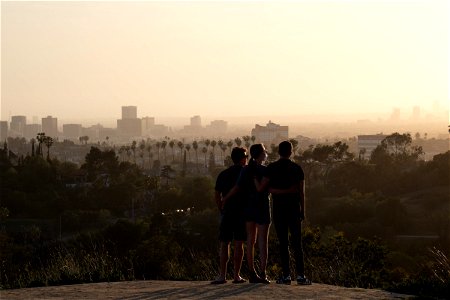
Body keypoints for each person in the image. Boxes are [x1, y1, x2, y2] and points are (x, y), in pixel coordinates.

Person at [256, 141, 311, 285]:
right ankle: (300, 275)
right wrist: (303, 211)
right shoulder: (297, 168)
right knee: (297, 243)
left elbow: (265, 188)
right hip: (294, 209)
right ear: (291, 151)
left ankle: (286, 275)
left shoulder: (271, 168)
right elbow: (302, 192)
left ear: (278, 152)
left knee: (283, 243)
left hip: (278, 209)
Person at [225, 144, 271, 283]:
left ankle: (252, 272)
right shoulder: (265, 170)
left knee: (250, 241)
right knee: (263, 241)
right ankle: (263, 273)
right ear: (262, 155)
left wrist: (225, 198)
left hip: (249, 207)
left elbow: (237, 188)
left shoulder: (246, 170)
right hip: (262, 206)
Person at [211, 147, 248, 284]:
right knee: (239, 244)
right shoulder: (246, 174)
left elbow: (216, 194)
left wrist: (220, 207)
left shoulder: (223, 174)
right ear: (243, 159)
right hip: (242, 212)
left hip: (227, 212)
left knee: (224, 243)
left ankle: (222, 275)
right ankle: (236, 276)